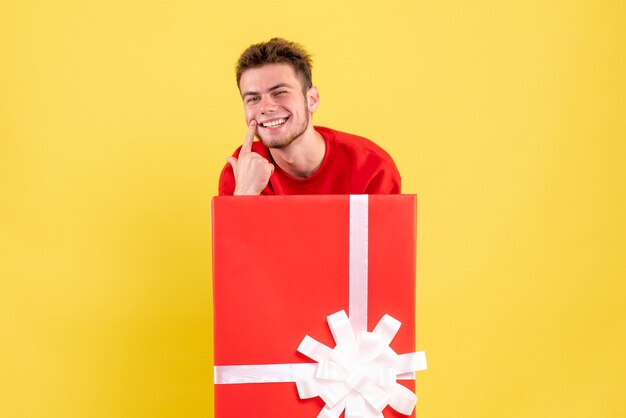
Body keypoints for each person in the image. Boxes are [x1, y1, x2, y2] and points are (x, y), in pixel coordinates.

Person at [219, 38, 401, 196]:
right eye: (253, 99)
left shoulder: (372, 167)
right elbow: (233, 238)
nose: (265, 108)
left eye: (280, 92)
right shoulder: (241, 170)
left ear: (312, 100)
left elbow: (386, 236)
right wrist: (245, 194)